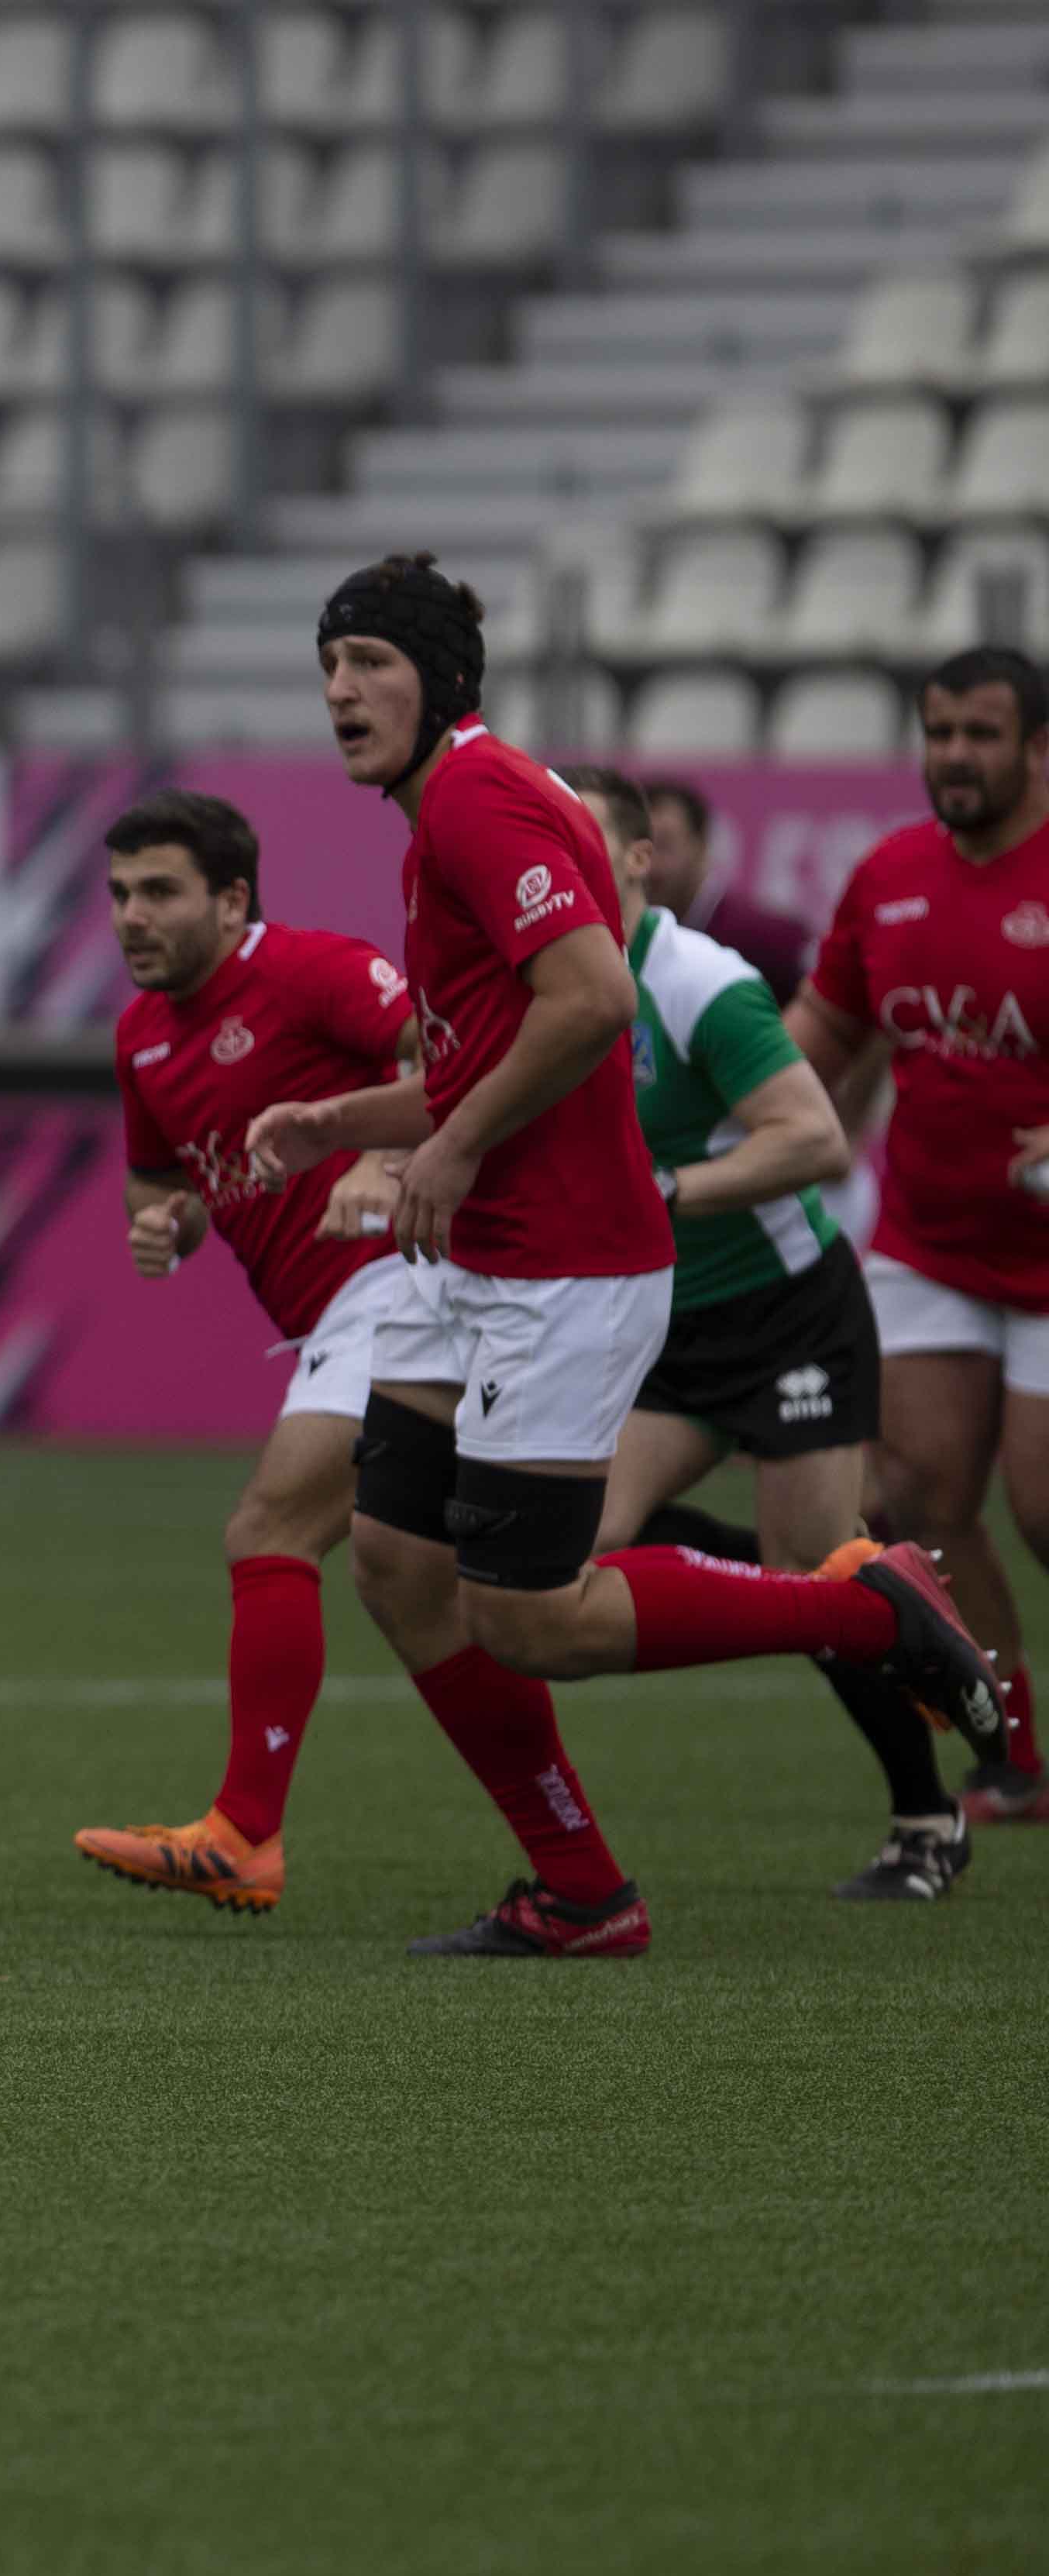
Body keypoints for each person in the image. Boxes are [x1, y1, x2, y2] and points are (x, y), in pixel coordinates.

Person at [245, 557, 994, 1959]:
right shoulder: (441, 814)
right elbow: (488, 1055)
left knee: (530, 1619)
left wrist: (451, 1154)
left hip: (561, 1271)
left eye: (368, 663)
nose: (340, 691)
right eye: (326, 664)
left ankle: (863, 1606)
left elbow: (590, 1001)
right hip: (473, 1264)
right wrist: (343, 1121)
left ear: (440, 681)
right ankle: (580, 1887)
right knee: (399, 1565)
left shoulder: (478, 796)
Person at [532, 766, 954, 1900]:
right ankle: (844, 1574)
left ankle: (928, 1820)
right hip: (666, 1324)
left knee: (820, 1590)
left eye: (582, 842)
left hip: (787, 1317)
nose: (551, 865)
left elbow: (814, 1141)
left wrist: (664, 1192)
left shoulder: (698, 981)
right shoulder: (542, 983)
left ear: (637, 860)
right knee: (569, 1557)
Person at [65, 790, 424, 1914]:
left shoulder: (317, 971)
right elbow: (162, 1177)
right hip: (338, 1319)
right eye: (120, 893)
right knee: (484, 1590)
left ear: (230, 899)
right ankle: (851, 1607)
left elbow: (451, 1066)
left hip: (410, 1283)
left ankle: (244, 1833)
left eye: (160, 892)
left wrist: (388, 1165)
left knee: (271, 1529)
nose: (132, 916)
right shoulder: (140, 1039)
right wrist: (165, 1222)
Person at [783, 648, 1049, 1829]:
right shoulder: (887, 876)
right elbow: (819, 1038)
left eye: (981, 734)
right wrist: (743, 1118)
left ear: (1037, 748)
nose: (954, 755)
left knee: (1045, 1514)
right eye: (939, 731)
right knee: (924, 1496)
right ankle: (1017, 1756)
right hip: (931, 1241)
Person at [638, 776, 813, 1002]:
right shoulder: (623, 941)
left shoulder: (774, 940)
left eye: (664, 846)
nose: (651, 866)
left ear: (702, 846)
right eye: (641, 850)